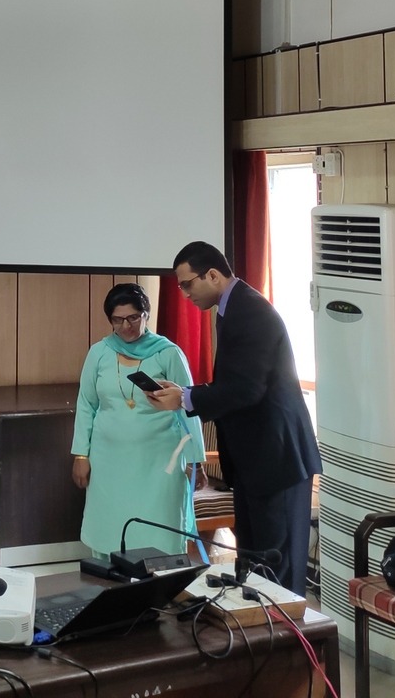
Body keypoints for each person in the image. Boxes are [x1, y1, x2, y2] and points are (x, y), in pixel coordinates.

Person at [147, 242, 322, 594]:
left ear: (212, 275)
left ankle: (285, 630)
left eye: (187, 284)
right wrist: (186, 393)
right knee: (254, 565)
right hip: (255, 461)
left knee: (278, 572)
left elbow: (247, 389)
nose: (185, 294)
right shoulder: (232, 307)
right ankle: (258, 626)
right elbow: (235, 382)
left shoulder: (250, 311)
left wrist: (186, 398)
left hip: (277, 458)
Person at [71, 283, 205, 559]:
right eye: (118, 320)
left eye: (133, 317)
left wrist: (195, 460)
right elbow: (86, 404)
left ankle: (161, 581)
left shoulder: (168, 352)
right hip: (109, 462)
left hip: (159, 462)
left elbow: (188, 407)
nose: (126, 326)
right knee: (110, 531)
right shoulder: (99, 352)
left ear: (146, 314)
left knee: (160, 533)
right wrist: (81, 455)